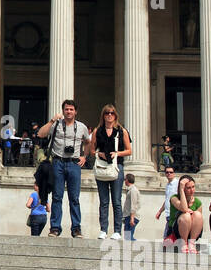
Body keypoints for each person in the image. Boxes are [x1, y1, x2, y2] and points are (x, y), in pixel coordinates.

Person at [36, 100, 89, 237]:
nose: (69, 112)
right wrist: (52, 120)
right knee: (57, 196)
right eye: (66, 109)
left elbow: (88, 142)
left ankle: (76, 228)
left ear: (75, 111)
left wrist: (85, 156)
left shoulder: (81, 127)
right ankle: (55, 227)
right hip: (58, 162)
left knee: (74, 198)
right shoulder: (57, 125)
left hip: (74, 163)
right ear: (63, 111)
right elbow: (41, 134)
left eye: (71, 109)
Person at [92, 103, 132, 241]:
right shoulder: (98, 131)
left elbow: (129, 150)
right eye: (107, 113)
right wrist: (99, 154)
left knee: (116, 200)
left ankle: (117, 230)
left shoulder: (122, 131)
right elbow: (92, 149)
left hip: (116, 167)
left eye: (112, 113)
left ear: (115, 115)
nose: (109, 115)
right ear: (103, 115)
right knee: (103, 201)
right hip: (102, 167)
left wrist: (117, 153)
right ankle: (103, 229)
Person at [168, 175, 205, 253]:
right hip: (177, 231)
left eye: (193, 187)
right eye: (188, 188)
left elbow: (199, 222)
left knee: (197, 215)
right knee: (186, 215)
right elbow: (184, 208)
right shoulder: (174, 198)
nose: (192, 190)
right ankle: (184, 243)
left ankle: (191, 243)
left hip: (192, 233)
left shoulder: (197, 202)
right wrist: (181, 189)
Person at [154, 165, 180, 239]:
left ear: (174, 173)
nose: (169, 174)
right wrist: (160, 211)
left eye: (171, 172)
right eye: (167, 172)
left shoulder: (177, 184)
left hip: (175, 214)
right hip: (168, 215)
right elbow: (167, 200)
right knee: (169, 237)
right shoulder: (168, 185)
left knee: (168, 237)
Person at [122, 172, 140, 241]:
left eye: (125, 179)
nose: (124, 181)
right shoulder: (130, 190)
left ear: (127, 180)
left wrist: (132, 218)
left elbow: (133, 205)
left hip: (131, 217)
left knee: (129, 238)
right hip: (128, 216)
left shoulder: (133, 190)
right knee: (127, 237)